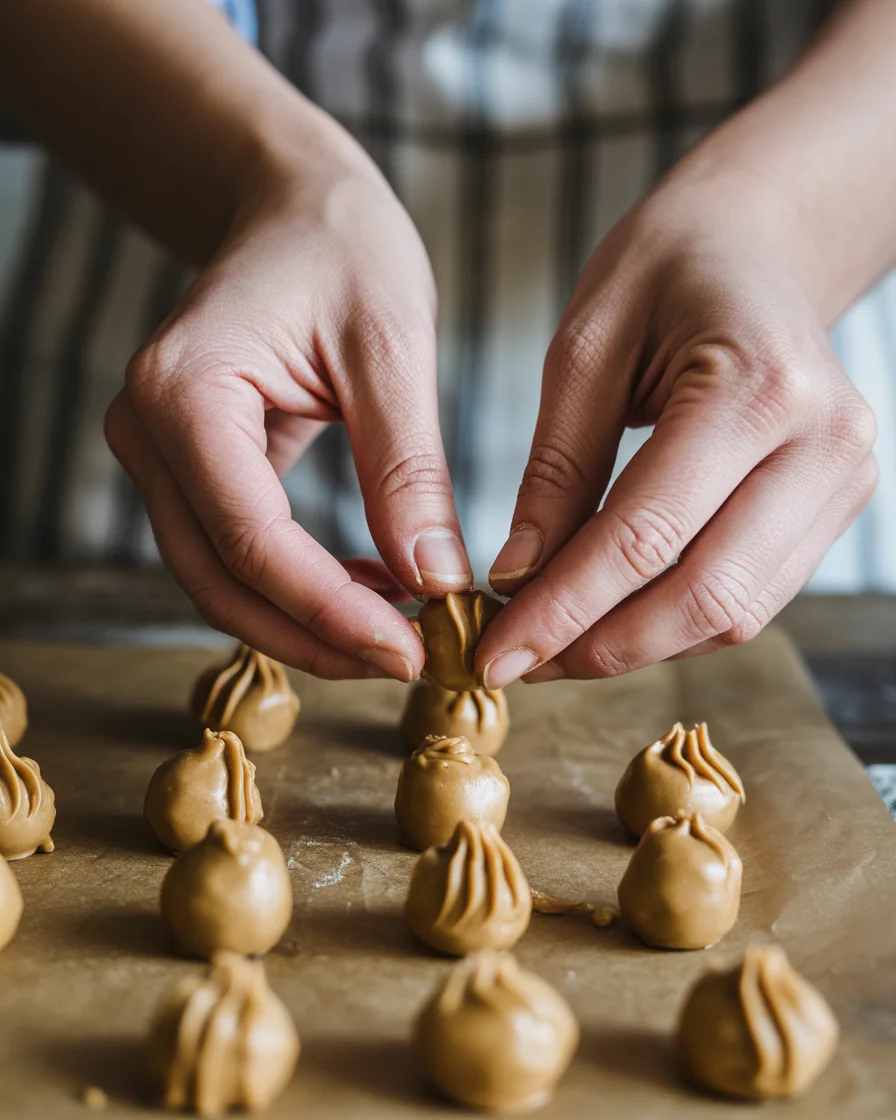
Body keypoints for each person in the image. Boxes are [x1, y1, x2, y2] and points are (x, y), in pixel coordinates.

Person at [0, 0, 893, 688]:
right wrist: (264, 174)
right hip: (207, 312)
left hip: (753, 389)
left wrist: (772, 221)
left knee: (732, 625)